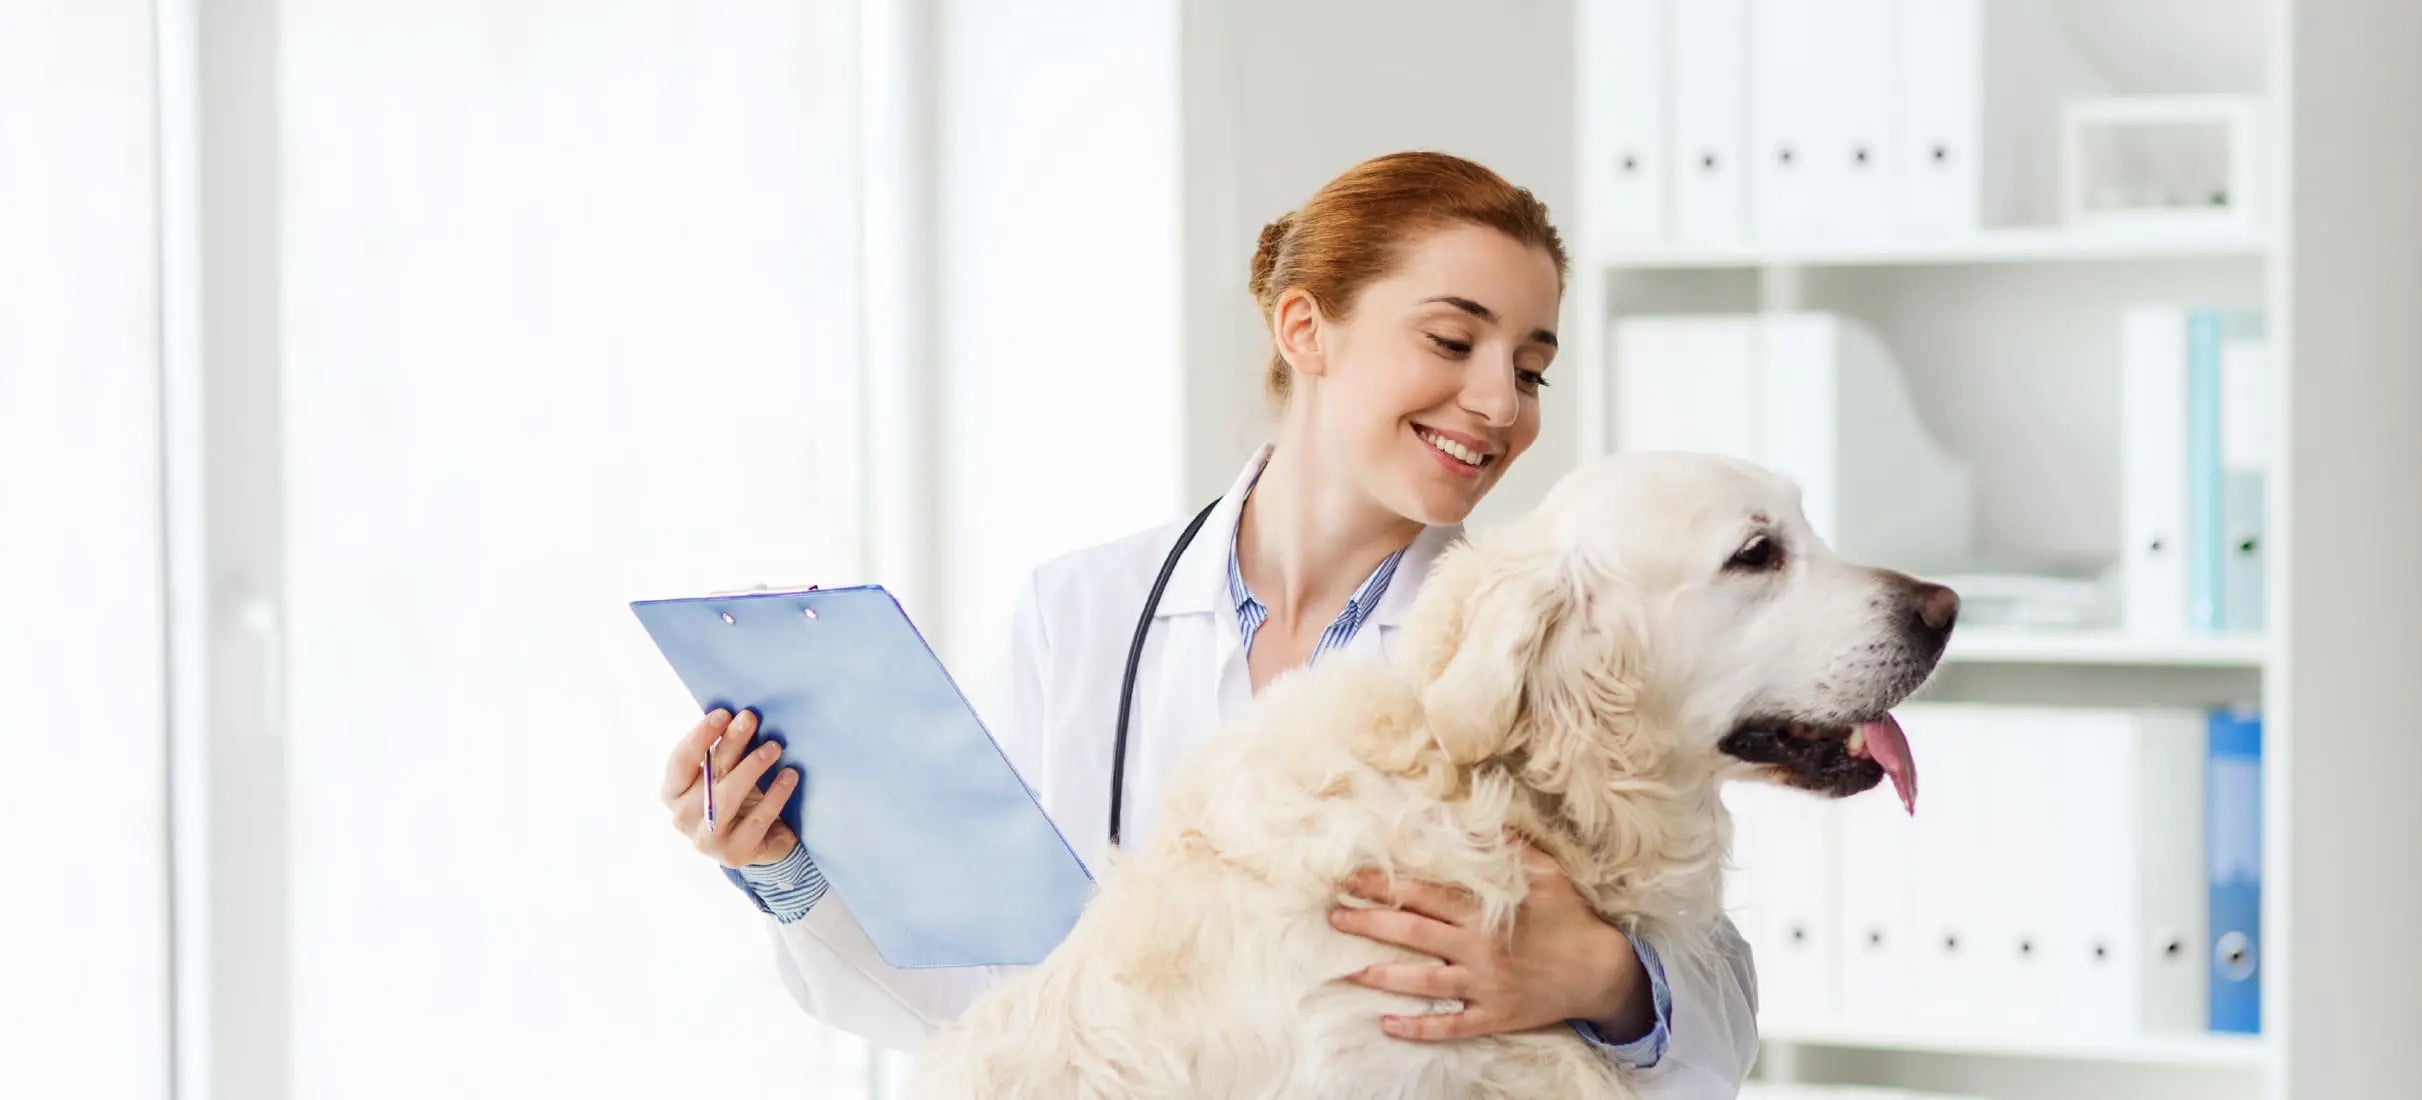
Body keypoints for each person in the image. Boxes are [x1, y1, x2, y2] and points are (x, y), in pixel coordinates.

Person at [654, 150, 1760, 1095]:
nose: (1499, 404)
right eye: (1452, 340)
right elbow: (998, 1001)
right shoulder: (1081, 613)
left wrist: (1606, 981)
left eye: (1530, 368)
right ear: (1304, 328)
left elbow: (1721, 999)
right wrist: (790, 865)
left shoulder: (1534, 640)